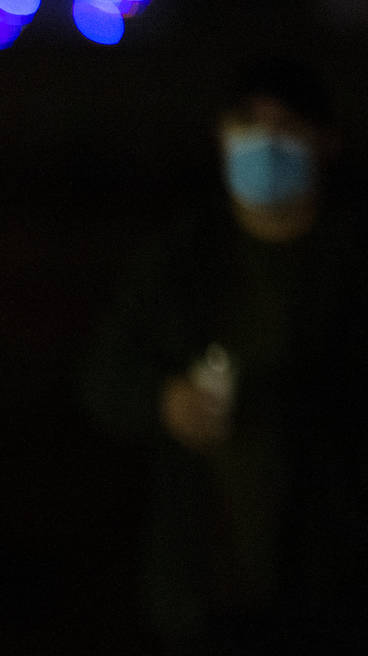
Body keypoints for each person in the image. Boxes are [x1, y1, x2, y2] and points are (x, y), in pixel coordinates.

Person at [81, 56, 368, 655]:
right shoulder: (177, 262)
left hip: (336, 581)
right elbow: (106, 377)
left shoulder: (349, 261)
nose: (265, 142)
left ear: (326, 140)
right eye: (247, 123)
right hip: (205, 585)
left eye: (286, 125)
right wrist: (163, 401)